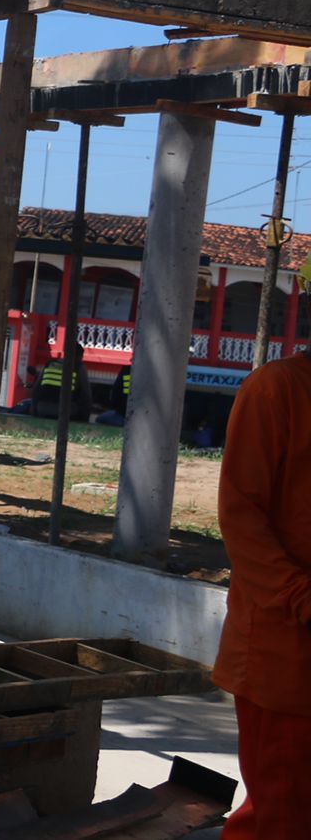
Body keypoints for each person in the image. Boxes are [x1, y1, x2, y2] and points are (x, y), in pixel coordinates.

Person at [214, 347, 311, 838]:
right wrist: (300, 596)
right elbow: (241, 517)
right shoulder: (277, 389)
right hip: (287, 651)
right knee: (281, 817)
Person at [31, 344, 92, 421]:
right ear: (79, 356)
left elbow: (36, 390)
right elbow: (86, 395)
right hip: (67, 412)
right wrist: (85, 418)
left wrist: (33, 411)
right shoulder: (79, 368)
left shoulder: (49, 364)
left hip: (43, 409)